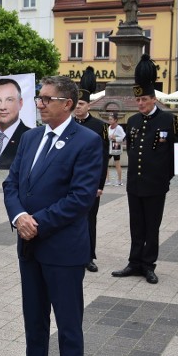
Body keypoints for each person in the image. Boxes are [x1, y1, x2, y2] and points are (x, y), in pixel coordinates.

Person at [0, 76, 102, 356]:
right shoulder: (29, 137)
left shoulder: (87, 141)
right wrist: (18, 216)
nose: (39, 104)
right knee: (34, 316)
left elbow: (80, 198)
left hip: (62, 249)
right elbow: (11, 182)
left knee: (69, 325)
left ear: (68, 104)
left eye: (46, 99)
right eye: (38, 98)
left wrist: (36, 222)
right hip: (29, 246)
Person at [112, 55, 178, 284]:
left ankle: (148, 264)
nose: (140, 103)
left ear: (153, 99)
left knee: (152, 227)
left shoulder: (168, 120)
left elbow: (175, 151)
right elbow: (131, 149)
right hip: (136, 184)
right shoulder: (132, 121)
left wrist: (166, 178)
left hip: (156, 184)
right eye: (137, 100)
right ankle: (134, 262)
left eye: (144, 100)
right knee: (136, 225)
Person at [74, 77, 109, 273]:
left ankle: (88, 256)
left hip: (90, 183)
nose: (78, 108)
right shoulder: (67, 125)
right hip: (70, 182)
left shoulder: (99, 126)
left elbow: (103, 158)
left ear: (89, 105)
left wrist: (100, 184)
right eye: (76, 104)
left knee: (89, 219)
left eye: (81, 104)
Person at [107, 114, 126, 186]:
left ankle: (119, 181)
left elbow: (123, 136)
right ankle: (107, 180)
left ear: (115, 120)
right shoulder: (109, 127)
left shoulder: (119, 128)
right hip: (109, 148)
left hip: (115, 148)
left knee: (117, 164)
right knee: (105, 164)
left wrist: (115, 138)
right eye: (109, 119)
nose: (109, 120)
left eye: (111, 119)